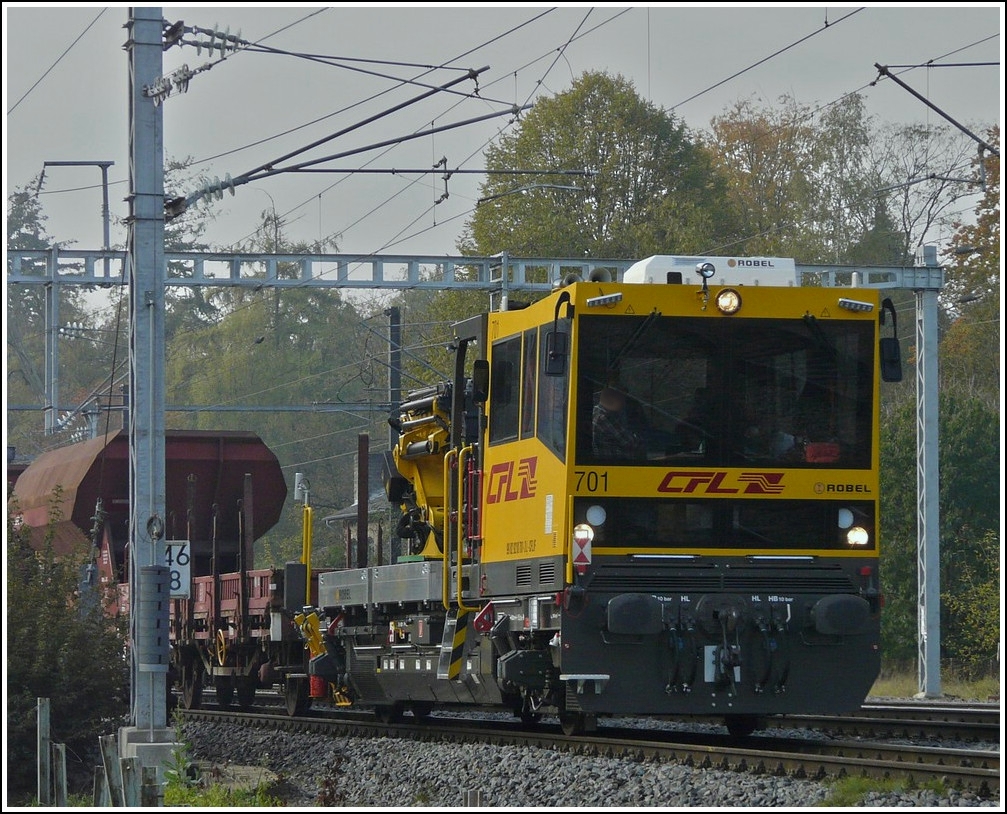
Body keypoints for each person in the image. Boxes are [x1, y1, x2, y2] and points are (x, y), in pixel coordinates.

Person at [592, 388, 645, 459]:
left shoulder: (595, 410)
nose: (623, 403)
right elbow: (630, 442)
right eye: (621, 399)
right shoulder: (604, 418)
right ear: (612, 400)